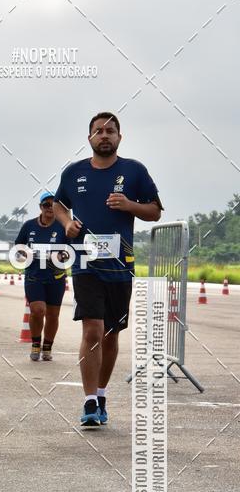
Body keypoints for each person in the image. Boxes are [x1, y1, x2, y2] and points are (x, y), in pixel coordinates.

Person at [53, 112, 162, 426]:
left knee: (112, 334)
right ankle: (89, 403)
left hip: (120, 265)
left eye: (110, 131)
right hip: (86, 263)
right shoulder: (74, 172)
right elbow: (59, 204)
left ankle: (101, 394)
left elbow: (154, 210)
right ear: (89, 138)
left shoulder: (134, 171)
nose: (104, 135)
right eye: (98, 131)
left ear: (119, 137)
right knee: (92, 330)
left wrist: (130, 206)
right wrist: (66, 223)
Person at [14, 192, 67, 361]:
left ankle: (47, 347)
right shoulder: (29, 226)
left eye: (53, 205)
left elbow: (71, 249)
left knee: (52, 315)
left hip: (56, 277)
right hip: (34, 276)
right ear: (40, 207)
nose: (49, 208)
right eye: (46, 205)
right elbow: (18, 246)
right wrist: (25, 253)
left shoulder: (62, 225)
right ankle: (35, 344)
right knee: (38, 310)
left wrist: (61, 256)